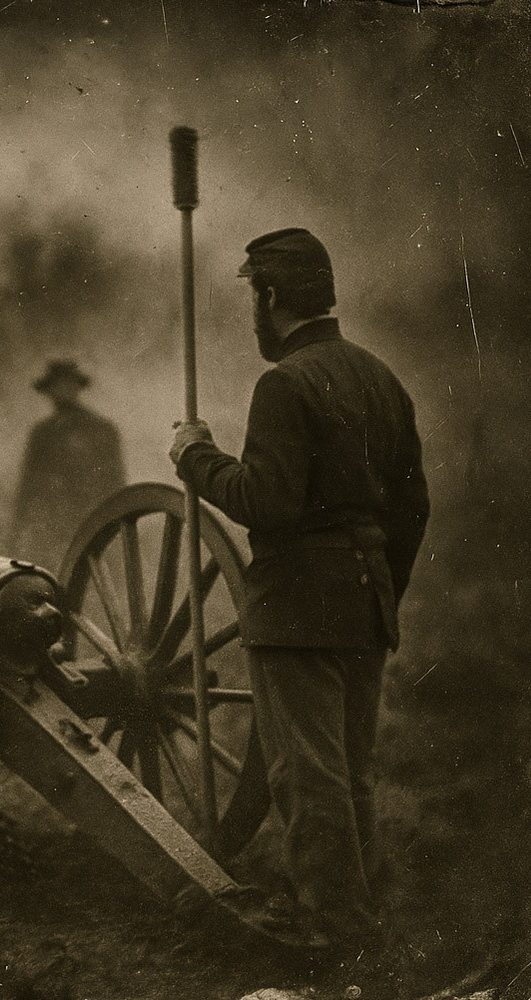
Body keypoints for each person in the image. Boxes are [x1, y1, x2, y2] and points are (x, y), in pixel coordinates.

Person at [169, 228, 429, 949]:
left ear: (274, 296)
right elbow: (413, 509)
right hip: (367, 597)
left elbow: (267, 498)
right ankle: (361, 913)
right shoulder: (380, 377)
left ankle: (331, 925)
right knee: (351, 769)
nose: (254, 308)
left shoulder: (284, 383)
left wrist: (197, 457)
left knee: (306, 773)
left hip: (297, 606)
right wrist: (381, 587)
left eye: (256, 292)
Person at [9, 359, 126, 570]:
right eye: (57, 386)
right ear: (49, 391)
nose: (63, 391)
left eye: (68, 385)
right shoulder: (42, 433)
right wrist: (18, 526)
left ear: (77, 388)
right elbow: (28, 484)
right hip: (52, 521)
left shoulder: (101, 429)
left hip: (93, 515)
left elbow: (115, 478)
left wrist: (117, 519)